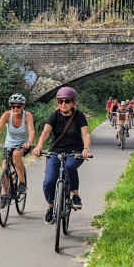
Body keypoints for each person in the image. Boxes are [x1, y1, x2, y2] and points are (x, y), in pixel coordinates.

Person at [32, 87, 93, 223]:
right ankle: (50, 207)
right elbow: (46, 132)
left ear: (73, 102)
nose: (63, 104)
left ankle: (75, 196)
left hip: (75, 152)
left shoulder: (79, 116)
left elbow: (85, 134)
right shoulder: (54, 116)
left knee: (70, 166)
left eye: (66, 101)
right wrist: (39, 146)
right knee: (48, 181)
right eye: (60, 101)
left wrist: (86, 148)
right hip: (56, 151)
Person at [0, 93, 36, 199]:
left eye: (18, 106)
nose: (15, 108)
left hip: (23, 144)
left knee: (16, 155)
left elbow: (31, 131)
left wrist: (29, 142)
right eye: (13, 106)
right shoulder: (7, 115)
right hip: (9, 144)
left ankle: (22, 182)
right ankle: (5, 193)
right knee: (5, 169)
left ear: (23, 106)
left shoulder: (27, 116)